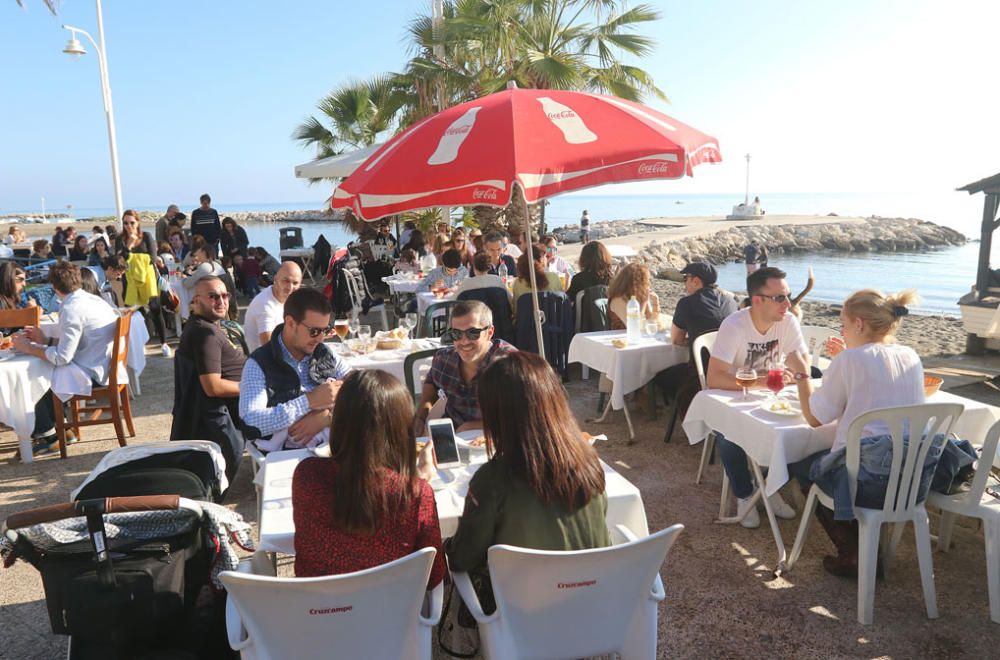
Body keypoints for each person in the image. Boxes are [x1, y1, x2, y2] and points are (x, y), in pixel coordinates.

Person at [446, 352, 610, 612]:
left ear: (499, 417)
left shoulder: (493, 479)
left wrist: (447, 545)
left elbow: (463, 558)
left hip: (521, 613)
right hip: (591, 602)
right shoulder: (590, 462)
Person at [783, 289, 924, 577]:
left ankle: (854, 554)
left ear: (859, 324)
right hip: (910, 478)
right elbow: (875, 381)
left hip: (867, 480)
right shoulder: (910, 355)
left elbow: (814, 418)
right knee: (826, 460)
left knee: (801, 464)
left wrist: (802, 375)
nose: (842, 331)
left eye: (843, 325)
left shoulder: (849, 362)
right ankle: (866, 548)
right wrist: (847, 359)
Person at [292, 370, 446, 585]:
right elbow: (434, 576)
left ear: (338, 421)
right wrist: (417, 484)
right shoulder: (415, 493)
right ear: (401, 427)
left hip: (319, 611)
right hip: (392, 613)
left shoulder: (306, 475)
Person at [706, 266, 809, 528]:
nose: (788, 303)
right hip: (734, 397)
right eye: (779, 298)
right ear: (757, 300)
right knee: (729, 435)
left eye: (788, 295)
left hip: (774, 397)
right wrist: (761, 382)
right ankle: (745, 493)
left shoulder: (787, 322)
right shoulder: (735, 325)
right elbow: (714, 378)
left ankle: (768, 489)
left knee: (798, 429)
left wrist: (799, 368)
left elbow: (802, 360)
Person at [12, 262, 118, 449]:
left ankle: (48, 435)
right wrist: (45, 340)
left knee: (32, 377)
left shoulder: (71, 309)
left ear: (54, 287)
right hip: (101, 364)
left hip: (91, 373)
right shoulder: (92, 300)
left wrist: (28, 348)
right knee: (43, 367)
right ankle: (61, 430)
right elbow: (77, 345)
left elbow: (63, 358)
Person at [240, 288, 351, 450]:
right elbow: (250, 422)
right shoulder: (259, 363)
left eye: (325, 330)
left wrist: (328, 416)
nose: (320, 338)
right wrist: (309, 401)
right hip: (287, 456)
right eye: (314, 331)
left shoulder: (325, 352)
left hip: (333, 448)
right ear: (291, 323)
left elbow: (360, 387)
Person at [171, 276, 247, 482]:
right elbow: (213, 387)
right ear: (196, 301)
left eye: (225, 295)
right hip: (231, 412)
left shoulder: (200, 326)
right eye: (213, 296)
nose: (221, 301)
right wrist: (252, 386)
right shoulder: (206, 335)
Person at [413, 300, 516, 434]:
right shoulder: (444, 360)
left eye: (473, 333)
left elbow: (522, 416)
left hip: (500, 437)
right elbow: (431, 382)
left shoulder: (509, 364)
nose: (464, 341)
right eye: (456, 334)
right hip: (453, 440)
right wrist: (421, 416)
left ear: (489, 332)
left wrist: (471, 427)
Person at [653, 262, 738, 408]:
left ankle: (690, 408)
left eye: (686, 279)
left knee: (657, 375)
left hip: (700, 374)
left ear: (696, 281)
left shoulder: (687, 303)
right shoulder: (730, 300)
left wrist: (696, 340)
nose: (684, 283)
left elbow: (676, 339)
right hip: (732, 370)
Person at [116, 210, 171, 357]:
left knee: (155, 309)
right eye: (126, 223)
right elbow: (120, 261)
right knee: (134, 312)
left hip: (148, 279)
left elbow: (152, 257)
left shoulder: (146, 236)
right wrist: (129, 245)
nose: (129, 226)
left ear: (138, 222)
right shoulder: (120, 239)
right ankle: (140, 343)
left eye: (132, 222)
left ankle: (163, 343)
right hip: (130, 280)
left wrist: (131, 257)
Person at [243, 261, 303, 352]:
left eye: (295, 283)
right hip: (264, 359)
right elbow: (269, 346)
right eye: (286, 281)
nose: (290, 287)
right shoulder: (264, 304)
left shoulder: (284, 298)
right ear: (275, 279)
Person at [606, 262, 659, 330]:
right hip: (619, 338)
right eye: (644, 281)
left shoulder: (636, 295)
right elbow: (634, 326)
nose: (647, 284)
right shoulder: (618, 300)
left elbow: (651, 320)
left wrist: (655, 302)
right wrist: (644, 302)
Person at [512, 242, 562, 308]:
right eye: (546, 256)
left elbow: (516, 310)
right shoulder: (554, 277)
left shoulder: (518, 283)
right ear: (542, 259)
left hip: (527, 318)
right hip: (553, 317)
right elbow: (562, 302)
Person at [0, 263, 36, 334]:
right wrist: (27, 314)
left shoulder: (11, 299)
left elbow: (14, 329)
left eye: (25, 280)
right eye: (20, 280)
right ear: (8, 279)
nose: (24, 284)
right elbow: (5, 331)